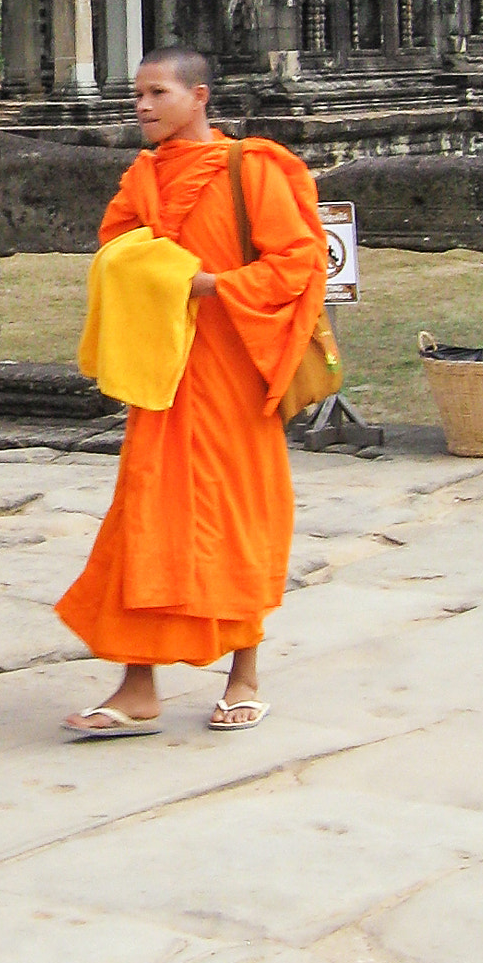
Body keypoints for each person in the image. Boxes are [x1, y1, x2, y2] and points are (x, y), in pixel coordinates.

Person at [56, 46, 327, 737]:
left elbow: (296, 262)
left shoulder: (252, 169)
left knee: (236, 521)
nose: (142, 107)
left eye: (157, 93)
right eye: (137, 95)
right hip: (164, 376)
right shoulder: (142, 176)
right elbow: (117, 250)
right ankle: (136, 686)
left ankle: (244, 676)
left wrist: (215, 285)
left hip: (232, 373)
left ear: (199, 97)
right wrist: (153, 273)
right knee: (144, 521)